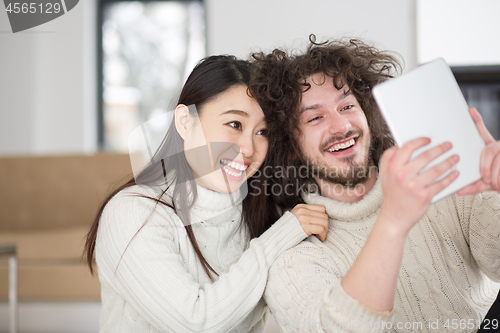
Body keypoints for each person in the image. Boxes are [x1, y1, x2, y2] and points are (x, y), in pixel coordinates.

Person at [249, 38, 500, 332]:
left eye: (347, 106)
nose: (341, 126)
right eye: (315, 117)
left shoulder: (445, 182)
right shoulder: (293, 253)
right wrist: (393, 221)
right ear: (291, 147)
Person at [84, 55, 329, 332]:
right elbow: (195, 322)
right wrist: (283, 234)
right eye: (235, 124)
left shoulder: (264, 213)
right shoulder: (133, 213)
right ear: (185, 122)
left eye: (262, 132)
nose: (248, 149)